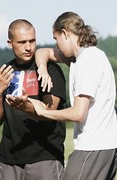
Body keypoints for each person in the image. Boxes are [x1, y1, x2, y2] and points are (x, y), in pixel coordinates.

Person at [28, 11, 117, 180]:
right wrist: (42, 69)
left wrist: (43, 112)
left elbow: (78, 113)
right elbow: (43, 52)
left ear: (65, 33)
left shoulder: (88, 61)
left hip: (93, 147)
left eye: (56, 39)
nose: (57, 45)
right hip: (106, 145)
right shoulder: (80, 58)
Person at [0, 19, 67, 180]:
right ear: (10, 43)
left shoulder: (50, 70)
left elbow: (49, 112)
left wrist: (26, 107)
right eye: (22, 42)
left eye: (32, 41)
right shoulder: (4, 74)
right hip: (8, 159)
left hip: (45, 157)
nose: (29, 47)